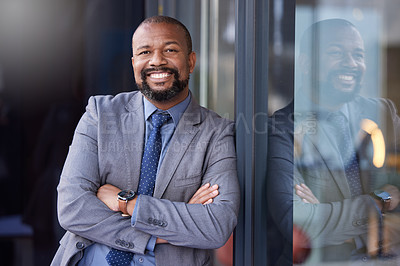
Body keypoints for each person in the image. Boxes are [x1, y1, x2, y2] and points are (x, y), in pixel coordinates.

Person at [51, 15, 240, 266]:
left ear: (191, 61)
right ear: (134, 63)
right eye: (145, 52)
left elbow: (216, 225)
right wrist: (160, 234)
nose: (157, 60)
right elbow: (72, 208)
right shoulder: (100, 113)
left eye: (170, 49)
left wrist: (126, 202)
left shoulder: (217, 132)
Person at [267, 19, 400, 265]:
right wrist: (379, 202)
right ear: (306, 63)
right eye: (336, 53)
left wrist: (330, 214)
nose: (351, 64)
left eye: (358, 55)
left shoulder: (382, 113)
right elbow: (297, 221)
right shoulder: (281, 128)